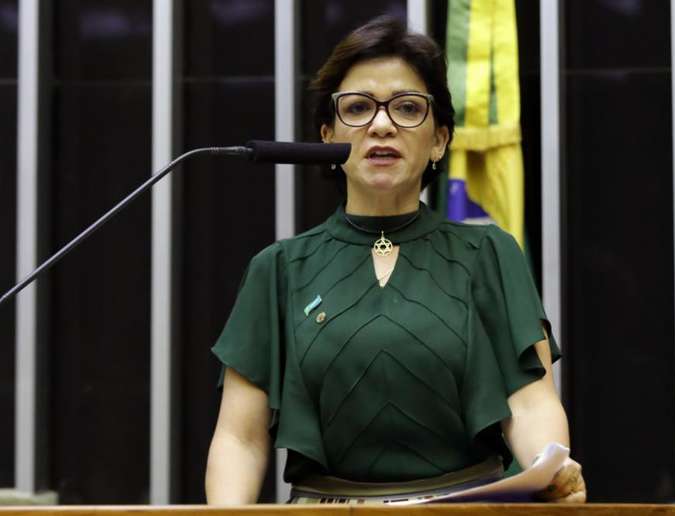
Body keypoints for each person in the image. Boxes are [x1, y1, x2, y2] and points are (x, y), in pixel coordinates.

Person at [205, 16, 586, 505]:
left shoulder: (490, 254)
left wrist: (551, 471)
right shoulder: (277, 269)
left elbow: (531, 404)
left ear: (439, 140)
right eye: (358, 107)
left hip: (466, 511)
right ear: (327, 136)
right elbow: (240, 438)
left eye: (407, 108)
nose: (381, 125)